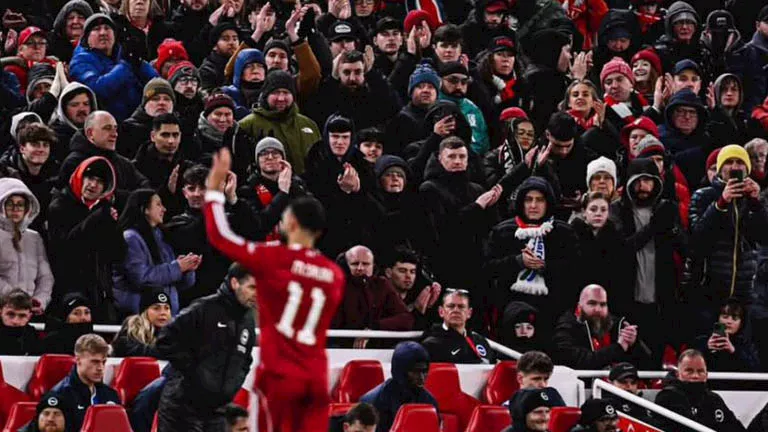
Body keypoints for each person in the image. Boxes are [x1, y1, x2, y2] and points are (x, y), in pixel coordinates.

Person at [203, 148, 346, 432]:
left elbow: (221, 236)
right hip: (316, 376)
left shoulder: (273, 258)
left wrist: (213, 194)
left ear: (289, 223)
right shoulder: (335, 274)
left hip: (279, 375)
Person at [155, 263, 256, 431]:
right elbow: (165, 338)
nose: (256, 293)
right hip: (182, 407)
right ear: (234, 283)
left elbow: (245, 359)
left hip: (217, 410)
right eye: (252, 287)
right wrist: (195, 373)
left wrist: (233, 384)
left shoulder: (248, 320)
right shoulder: (205, 308)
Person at [611, 158, 686, 358]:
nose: (642, 186)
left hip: (660, 302)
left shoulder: (667, 209)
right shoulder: (617, 210)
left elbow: (685, 248)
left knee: (655, 357)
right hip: (627, 300)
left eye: (647, 180)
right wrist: (653, 226)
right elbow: (621, 250)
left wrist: (673, 229)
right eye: (637, 181)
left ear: (656, 183)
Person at [484, 176, 579, 333]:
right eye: (528, 200)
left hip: (552, 311)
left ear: (548, 202)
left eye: (539, 200)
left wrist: (545, 267)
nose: (533, 205)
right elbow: (487, 268)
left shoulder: (564, 233)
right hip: (510, 310)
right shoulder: (502, 231)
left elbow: (575, 270)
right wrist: (517, 261)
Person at [688, 145, 768, 321]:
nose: (734, 167)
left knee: (744, 337)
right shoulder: (704, 196)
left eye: (739, 162)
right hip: (710, 289)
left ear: (747, 168)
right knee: (711, 335)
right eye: (729, 162)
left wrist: (756, 204)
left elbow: (763, 237)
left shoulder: (753, 198)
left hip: (745, 290)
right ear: (719, 168)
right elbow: (698, 239)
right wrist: (721, 203)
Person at [47, 156, 125, 323]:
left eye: (100, 182)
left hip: (100, 290)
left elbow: (119, 253)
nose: (93, 185)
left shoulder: (105, 211)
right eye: (89, 178)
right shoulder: (59, 206)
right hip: (67, 289)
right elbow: (66, 248)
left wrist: (113, 226)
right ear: (80, 177)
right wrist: (96, 218)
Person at [113, 189, 198, 316]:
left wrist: (187, 269)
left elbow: (174, 284)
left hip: (166, 315)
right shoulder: (131, 238)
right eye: (158, 204)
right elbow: (141, 278)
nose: (164, 209)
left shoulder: (162, 237)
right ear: (145, 209)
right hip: (139, 317)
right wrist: (177, 267)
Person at [69, 13, 159, 122]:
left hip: (139, 120)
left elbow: (156, 83)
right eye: (96, 29)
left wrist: (139, 62)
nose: (103, 33)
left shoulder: (125, 53)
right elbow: (97, 89)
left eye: (107, 28)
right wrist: (125, 65)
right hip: (105, 124)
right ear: (86, 38)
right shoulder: (80, 61)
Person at [58, 111, 151, 207]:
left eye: (115, 128)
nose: (115, 134)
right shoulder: (74, 162)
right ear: (90, 133)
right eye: (107, 128)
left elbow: (145, 188)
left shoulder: (124, 163)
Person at [238, 69, 321, 175]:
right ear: (266, 95)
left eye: (286, 93)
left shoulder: (308, 124)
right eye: (276, 93)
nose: (281, 98)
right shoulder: (248, 125)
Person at [552, 284, 653, 369]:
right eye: (592, 303)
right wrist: (618, 347)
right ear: (579, 307)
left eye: (603, 304)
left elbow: (649, 365)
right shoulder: (567, 327)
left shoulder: (618, 325)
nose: (598, 309)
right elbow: (577, 361)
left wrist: (634, 344)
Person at [334, 245, 414, 346]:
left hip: (377, 348)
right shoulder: (336, 286)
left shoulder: (382, 285)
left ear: (373, 266)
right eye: (355, 264)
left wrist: (373, 328)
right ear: (346, 266)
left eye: (365, 264)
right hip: (340, 348)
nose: (360, 268)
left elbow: (406, 319)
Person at [655, 349, 746, 432]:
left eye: (700, 371)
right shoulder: (667, 397)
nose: (695, 376)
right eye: (689, 371)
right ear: (678, 374)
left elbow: (735, 427)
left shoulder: (714, 399)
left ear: (706, 375)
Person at [0, 178, 53, 312]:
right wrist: (17, 300)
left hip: (28, 311)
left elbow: (45, 277)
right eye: (10, 204)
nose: (15, 209)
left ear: (27, 208)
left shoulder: (34, 237)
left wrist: (39, 300)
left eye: (20, 204)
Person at [360, 341, 438, 432]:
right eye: (415, 372)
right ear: (401, 371)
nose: (421, 377)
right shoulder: (373, 402)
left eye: (424, 371)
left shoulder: (429, 402)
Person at [48, 334, 121, 431]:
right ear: (78, 360)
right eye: (95, 362)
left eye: (103, 362)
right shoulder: (60, 396)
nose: (100, 368)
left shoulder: (111, 395)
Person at [420, 289, 496, 364]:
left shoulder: (480, 341)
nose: (456, 310)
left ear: (469, 313)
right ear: (441, 311)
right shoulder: (430, 345)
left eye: (461, 307)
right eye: (451, 306)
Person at [571, 192, 623, 292]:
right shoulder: (571, 235)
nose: (598, 213)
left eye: (603, 210)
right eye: (593, 209)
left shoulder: (615, 237)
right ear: (584, 212)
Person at [694, 298, 761, 374]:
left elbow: (755, 371)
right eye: (725, 317)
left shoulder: (746, 344)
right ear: (717, 318)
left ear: (741, 324)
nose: (729, 321)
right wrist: (706, 348)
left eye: (735, 318)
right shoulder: (702, 340)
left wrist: (734, 351)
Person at [382, 247, 441, 330]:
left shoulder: (420, 297)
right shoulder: (378, 300)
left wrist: (430, 307)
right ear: (388, 273)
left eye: (412, 272)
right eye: (402, 271)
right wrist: (417, 311)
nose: (408, 276)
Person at [117, 77, 176, 159]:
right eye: (155, 99)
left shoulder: (183, 128)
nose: (162, 103)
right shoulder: (127, 130)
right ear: (144, 104)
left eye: (167, 99)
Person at [112, 289, 172, 357]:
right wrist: (167, 352)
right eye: (156, 308)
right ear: (145, 312)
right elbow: (127, 349)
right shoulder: (131, 331)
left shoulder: (174, 332)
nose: (163, 313)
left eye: (167, 308)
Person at [48, 82, 97, 161]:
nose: (82, 109)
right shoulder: (55, 137)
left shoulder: (99, 132)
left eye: (86, 104)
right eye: (74, 105)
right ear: (64, 109)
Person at [0, 289, 40, 355]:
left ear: (29, 316)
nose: (15, 321)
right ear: (1, 313)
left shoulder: (32, 334)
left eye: (22, 316)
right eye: (10, 314)